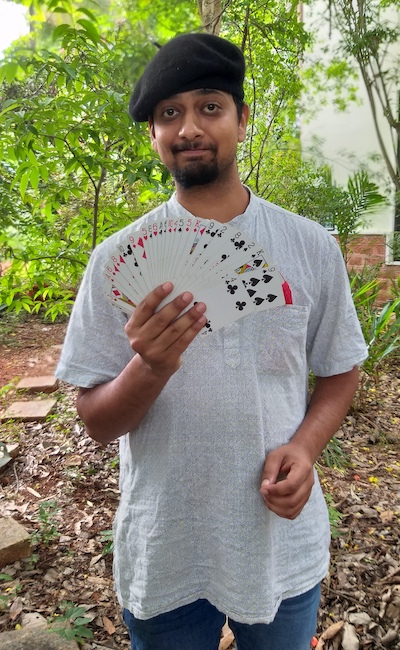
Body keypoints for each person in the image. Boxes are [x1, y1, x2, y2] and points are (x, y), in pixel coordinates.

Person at [56, 33, 368, 650]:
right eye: (170, 113)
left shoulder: (310, 247)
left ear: (242, 120)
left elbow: (340, 369)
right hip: (164, 543)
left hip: (278, 539)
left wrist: (306, 447)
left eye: (210, 106)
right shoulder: (116, 259)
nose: (190, 127)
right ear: (154, 135)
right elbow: (95, 421)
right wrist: (150, 367)